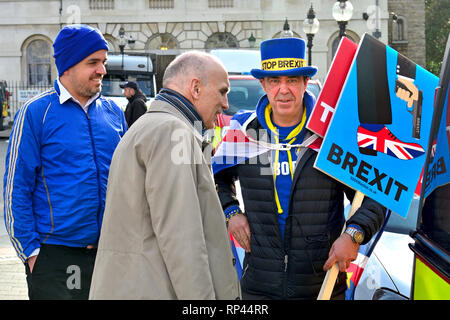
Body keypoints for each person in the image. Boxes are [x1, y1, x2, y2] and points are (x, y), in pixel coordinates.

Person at [212, 37, 386, 300]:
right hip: (258, 286)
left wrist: (354, 234)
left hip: (322, 285)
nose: (284, 90)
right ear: (263, 85)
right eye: (274, 80)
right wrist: (231, 212)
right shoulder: (243, 132)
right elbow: (214, 180)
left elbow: (374, 195)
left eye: (292, 80)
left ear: (305, 83)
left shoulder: (331, 134)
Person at [89, 51, 241, 300]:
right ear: (195, 87)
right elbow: (183, 242)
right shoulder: (171, 131)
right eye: (223, 91)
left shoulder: (156, 127)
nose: (226, 104)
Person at [3, 24, 127, 300]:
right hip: (54, 257)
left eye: (103, 62)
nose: (102, 70)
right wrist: (32, 254)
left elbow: (129, 181)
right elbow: (16, 188)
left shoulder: (113, 113)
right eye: (93, 62)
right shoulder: (36, 113)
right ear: (68, 65)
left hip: (110, 253)